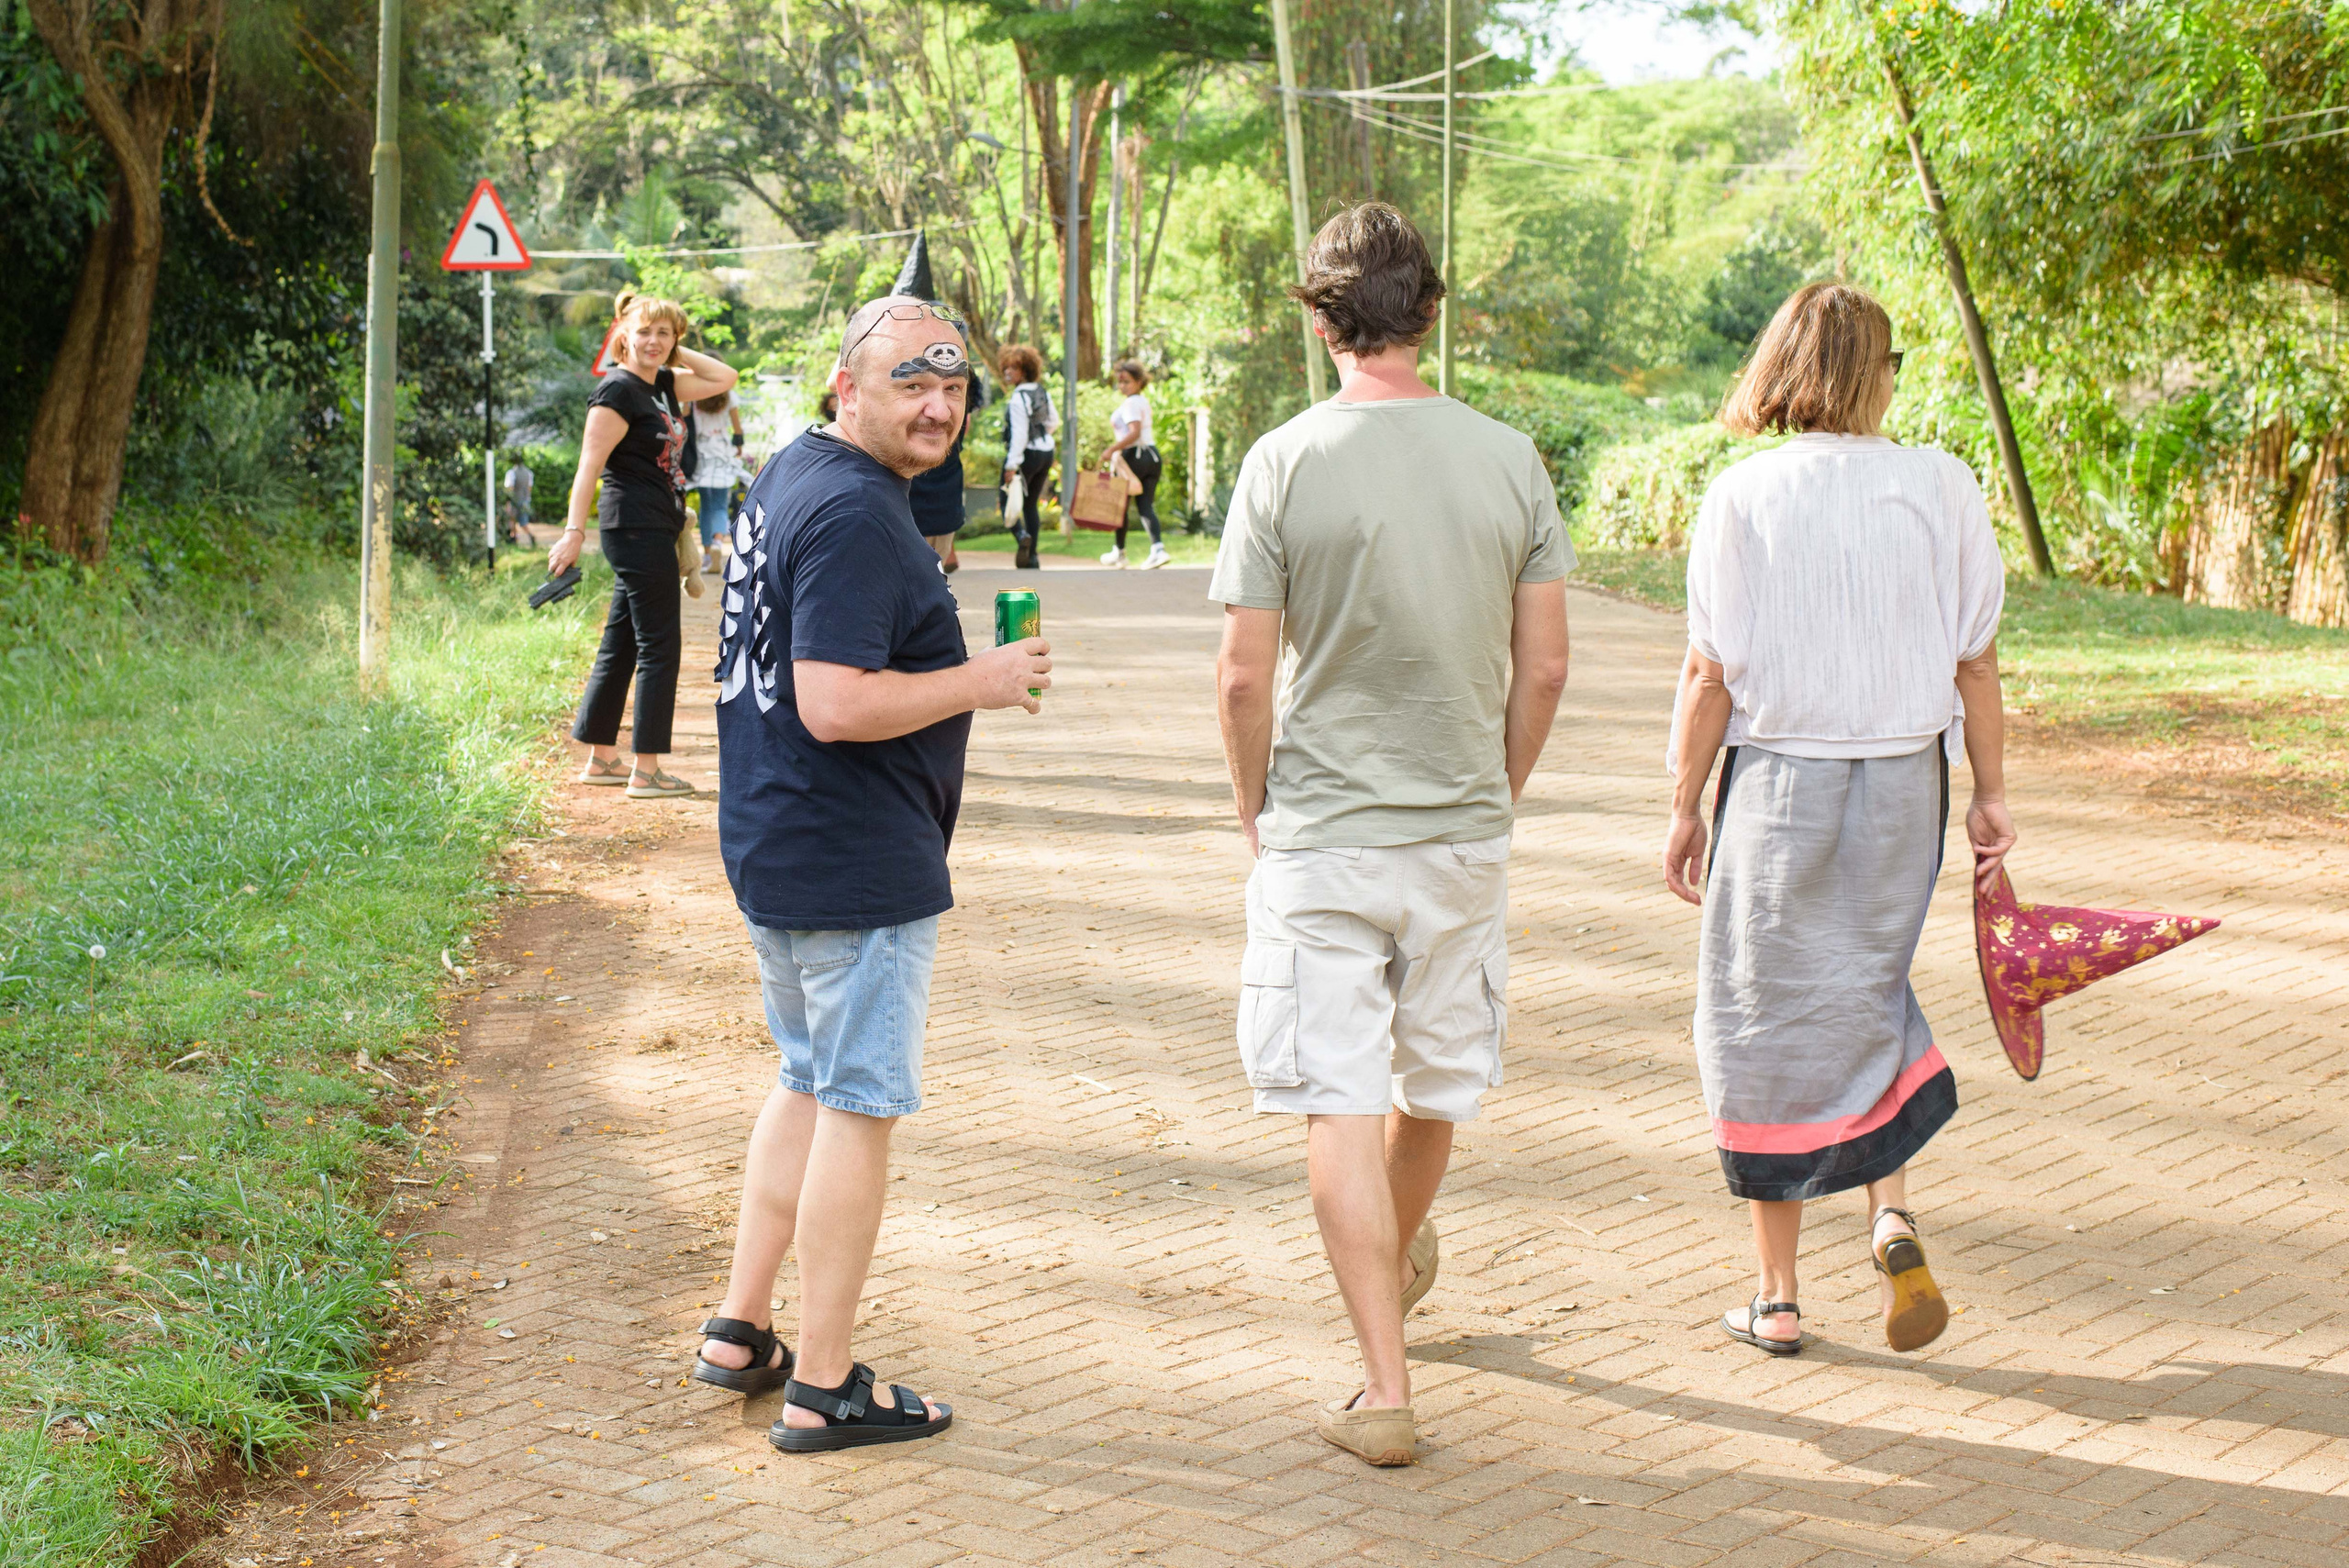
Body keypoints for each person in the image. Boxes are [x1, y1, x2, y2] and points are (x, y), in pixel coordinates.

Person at [1210, 203, 1572, 1468]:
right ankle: (1399, 1260)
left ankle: (1384, 1386)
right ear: (1432, 312)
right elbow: (1546, 668)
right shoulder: (1510, 458)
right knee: (1436, 1087)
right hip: (1463, 826)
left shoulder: (1285, 461)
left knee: (1337, 1102)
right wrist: (1501, 786)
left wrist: (1253, 801)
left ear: (1321, 323)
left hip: (1323, 831)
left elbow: (1245, 678)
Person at [694, 295, 1052, 1453]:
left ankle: (741, 1331)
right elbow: (834, 700)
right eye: (911, 382)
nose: (939, 405)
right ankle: (826, 1381)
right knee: (854, 1100)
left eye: (953, 388)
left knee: (805, 1077)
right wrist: (981, 681)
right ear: (846, 386)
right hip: (849, 857)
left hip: (779, 839)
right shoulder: (853, 512)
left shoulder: (796, 473)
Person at [1660, 281, 2013, 1360]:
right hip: (1908, 779)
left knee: (1761, 1015)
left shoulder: (1743, 493)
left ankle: (1774, 1296)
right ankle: (1890, 1217)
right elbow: (1976, 660)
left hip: (1777, 786)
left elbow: (1709, 673)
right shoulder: (1942, 484)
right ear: (1873, 373)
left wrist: (1682, 802)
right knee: (1865, 988)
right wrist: (1991, 796)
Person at [550, 290, 737, 799]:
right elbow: (588, 467)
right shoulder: (617, 392)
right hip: (633, 526)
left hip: (656, 523)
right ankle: (648, 769)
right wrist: (573, 532)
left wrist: (674, 351)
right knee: (661, 644)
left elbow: (725, 378)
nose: (653, 341)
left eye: (664, 333)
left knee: (624, 641)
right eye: (644, 331)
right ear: (621, 334)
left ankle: (601, 756)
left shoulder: (665, 386)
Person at [1097, 360, 1168, 570]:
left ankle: (1119, 552)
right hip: (1152, 456)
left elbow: (1134, 432)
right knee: (1145, 505)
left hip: (1133, 457)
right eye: (1119, 382)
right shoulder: (1142, 401)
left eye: (1126, 381)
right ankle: (1158, 549)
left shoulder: (1130, 404)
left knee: (1120, 506)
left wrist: (1111, 450)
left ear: (1138, 382)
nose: (1122, 386)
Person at [910, 364, 979, 574]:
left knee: (933, 559)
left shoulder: (964, 371)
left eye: (952, 388)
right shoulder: (913, 362)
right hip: (920, 474)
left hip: (944, 472)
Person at [996, 345, 1057, 571]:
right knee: (1031, 505)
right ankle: (1032, 558)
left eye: (1014, 368)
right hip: (1046, 452)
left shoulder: (1018, 398)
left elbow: (1019, 434)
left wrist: (1012, 464)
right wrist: (1041, 436)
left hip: (1026, 455)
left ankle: (1022, 535)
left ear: (1026, 370)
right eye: (1006, 368)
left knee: (1004, 500)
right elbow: (1053, 422)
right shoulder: (1042, 391)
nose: (1008, 373)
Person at [689, 389, 747, 574]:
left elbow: (684, 419)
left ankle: (707, 556)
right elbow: (737, 428)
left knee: (706, 506)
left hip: (701, 454)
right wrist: (738, 446)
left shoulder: (694, 393)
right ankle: (717, 542)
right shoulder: (729, 395)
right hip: (722, 453)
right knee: (721, 505)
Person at [502, 458, 536, 545]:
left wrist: (508, 501)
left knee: (512, 519)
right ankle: (525, 536)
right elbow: (529, 488)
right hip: (525, 500)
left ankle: (514, 537)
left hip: (515, 500)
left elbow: (510, 488)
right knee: (522, 521)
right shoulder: (529, 473)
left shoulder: (511, 473)